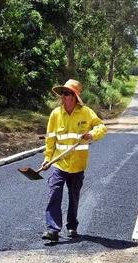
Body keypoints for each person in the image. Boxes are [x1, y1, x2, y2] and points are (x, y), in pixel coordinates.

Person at [41, 79, 107, 243]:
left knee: (74, 196)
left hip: (77, 165)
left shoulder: (86, 112)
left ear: (75, 96)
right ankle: (53, 229)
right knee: (54, 193)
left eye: (68, 93)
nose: (64, 96)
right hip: (59, 163)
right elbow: (50, 139)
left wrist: (92, 134)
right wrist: (47, 158)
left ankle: (72, 225)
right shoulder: (56, 114)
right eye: (62, 93)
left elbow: (101, 127)